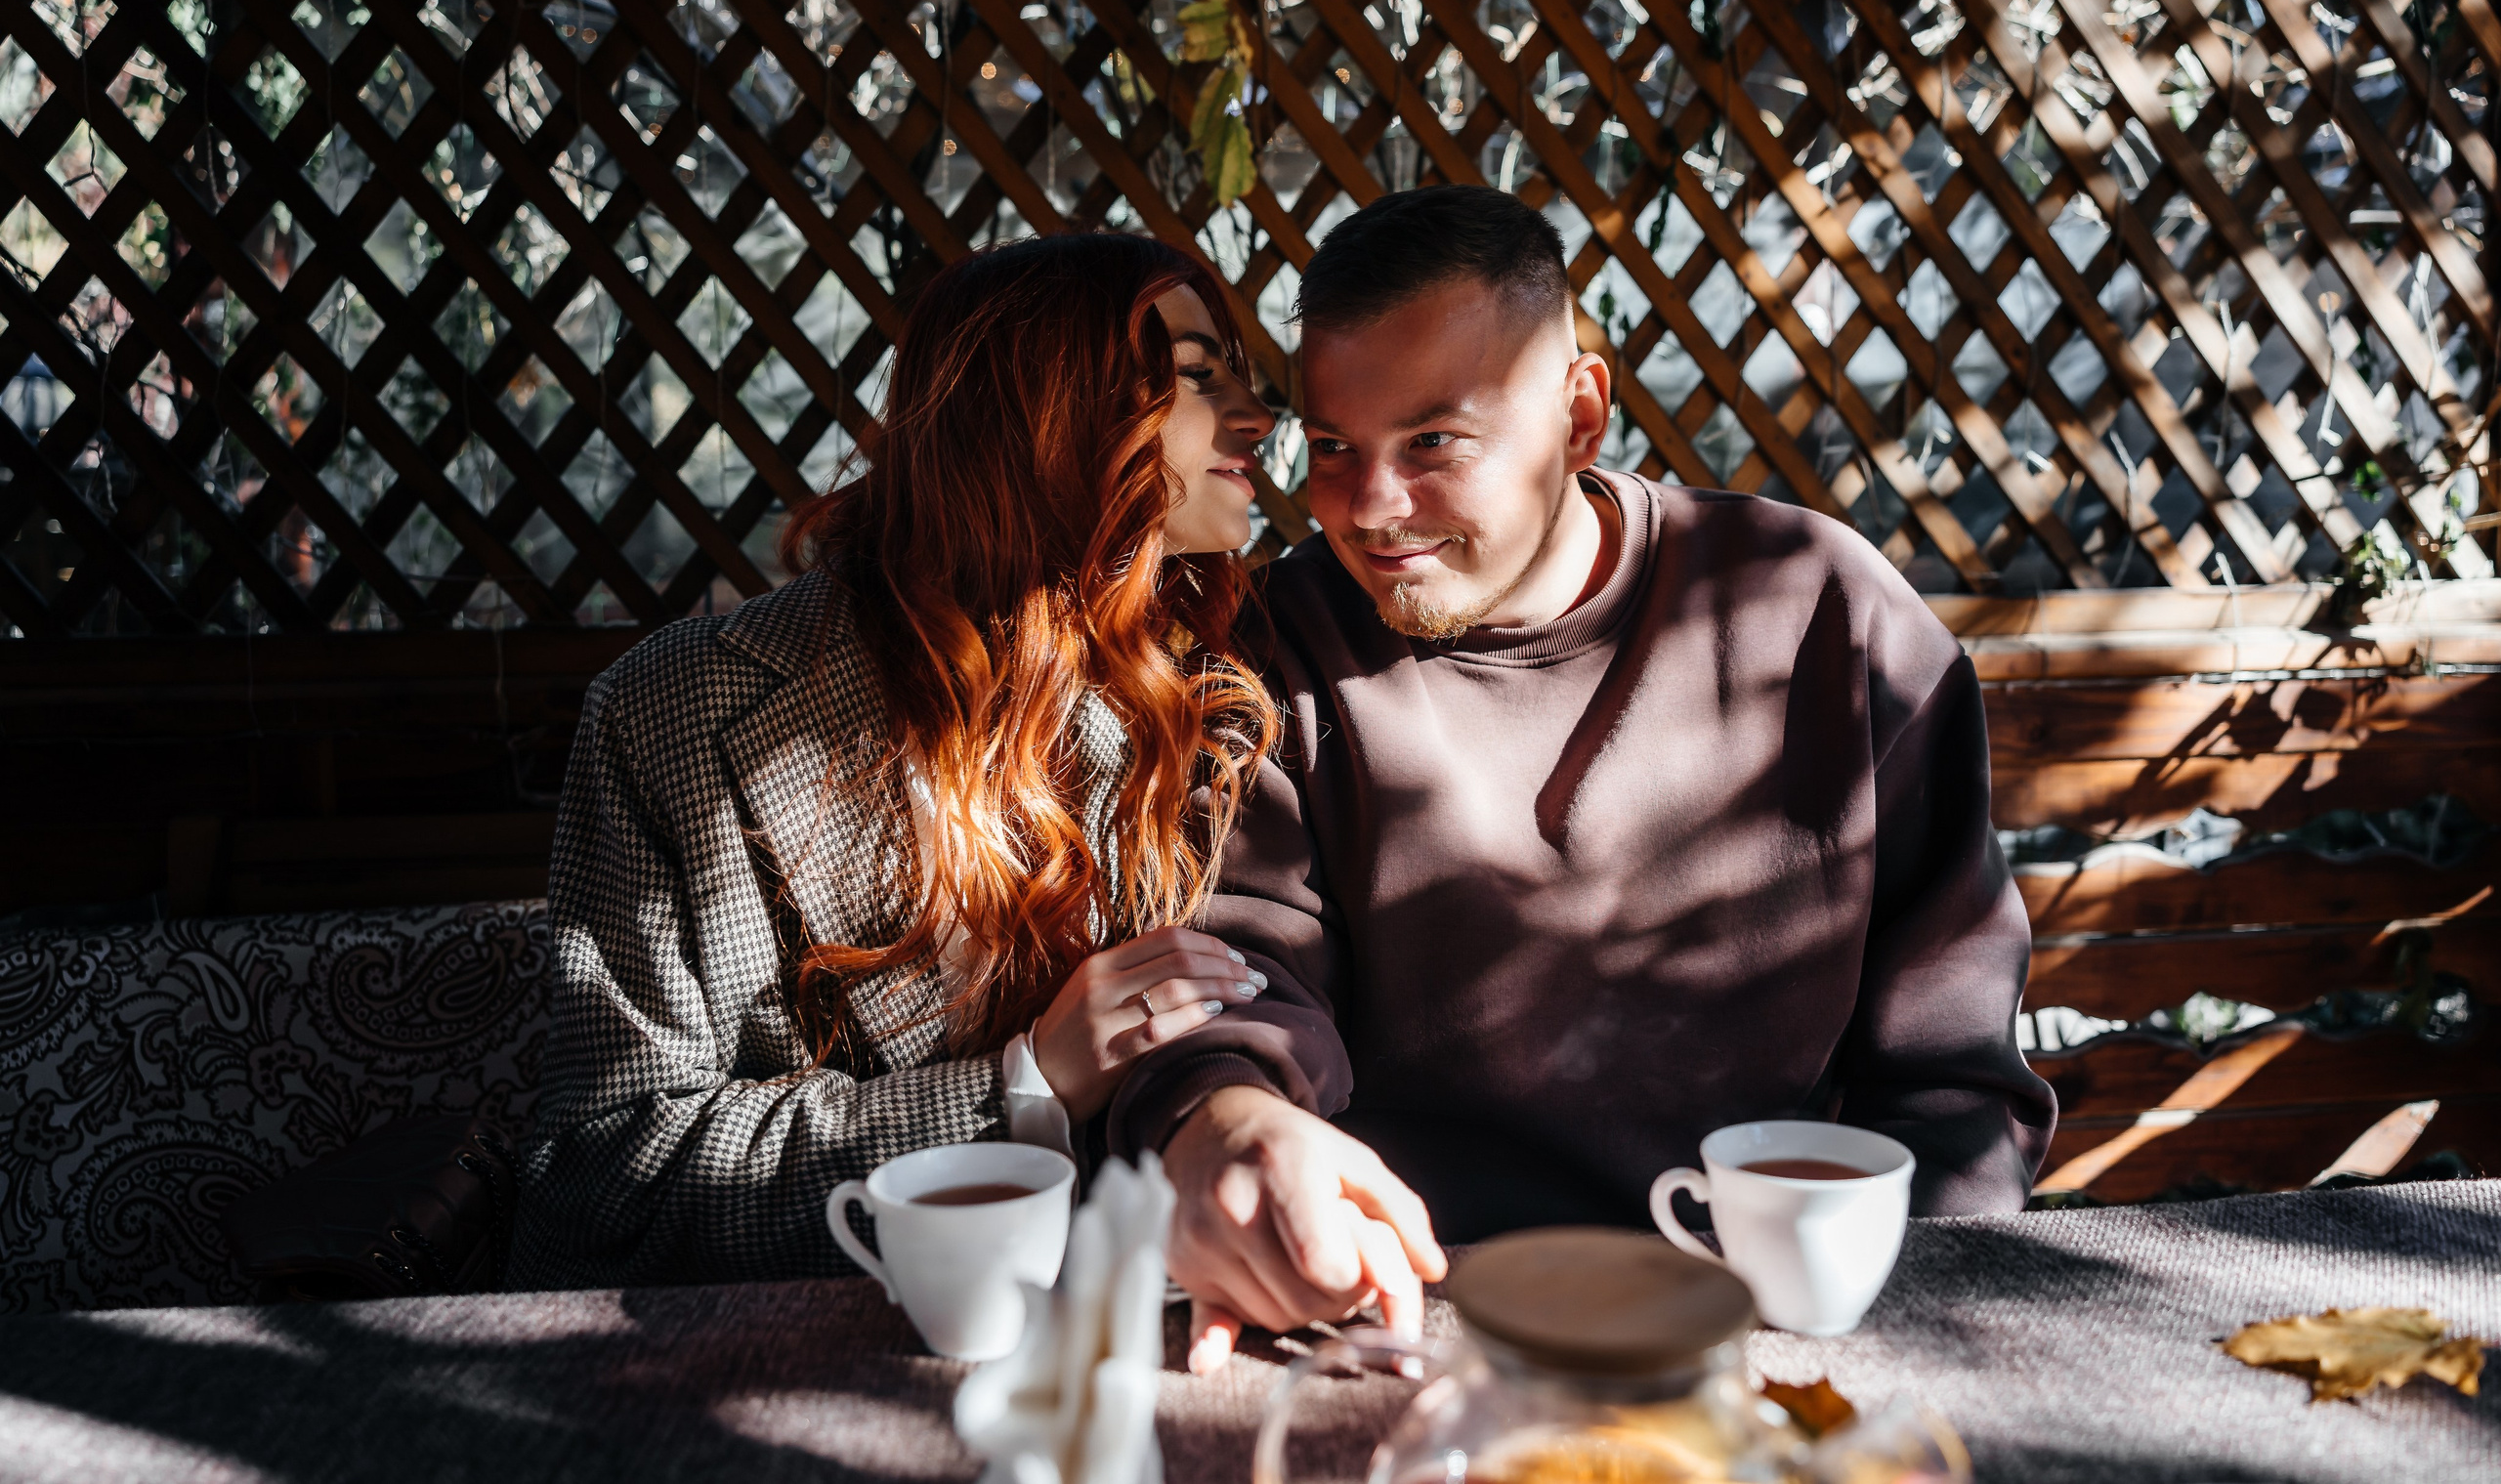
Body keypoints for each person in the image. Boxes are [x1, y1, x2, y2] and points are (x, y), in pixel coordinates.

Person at [1103, 186, 2058, 1372]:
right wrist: (1227, 1120)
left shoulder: (1822, 609)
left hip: (1775, 1322)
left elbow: (1951, 1076)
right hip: (1417, 1318)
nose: (1370, 509)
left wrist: (1873, 1325)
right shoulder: (1276, 646)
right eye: (1335, 447)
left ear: (1582, 416)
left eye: (1434, 443)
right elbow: (1236, 975)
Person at [508, 233, 1282, 1289]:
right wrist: (1020, 1087)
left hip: (1164, 1311)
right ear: (1041, 412)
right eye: (1197, 376)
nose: (1258, 416)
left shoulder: (1229, 690)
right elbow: (603, 1180)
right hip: (821, 1338)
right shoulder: (671, 711)